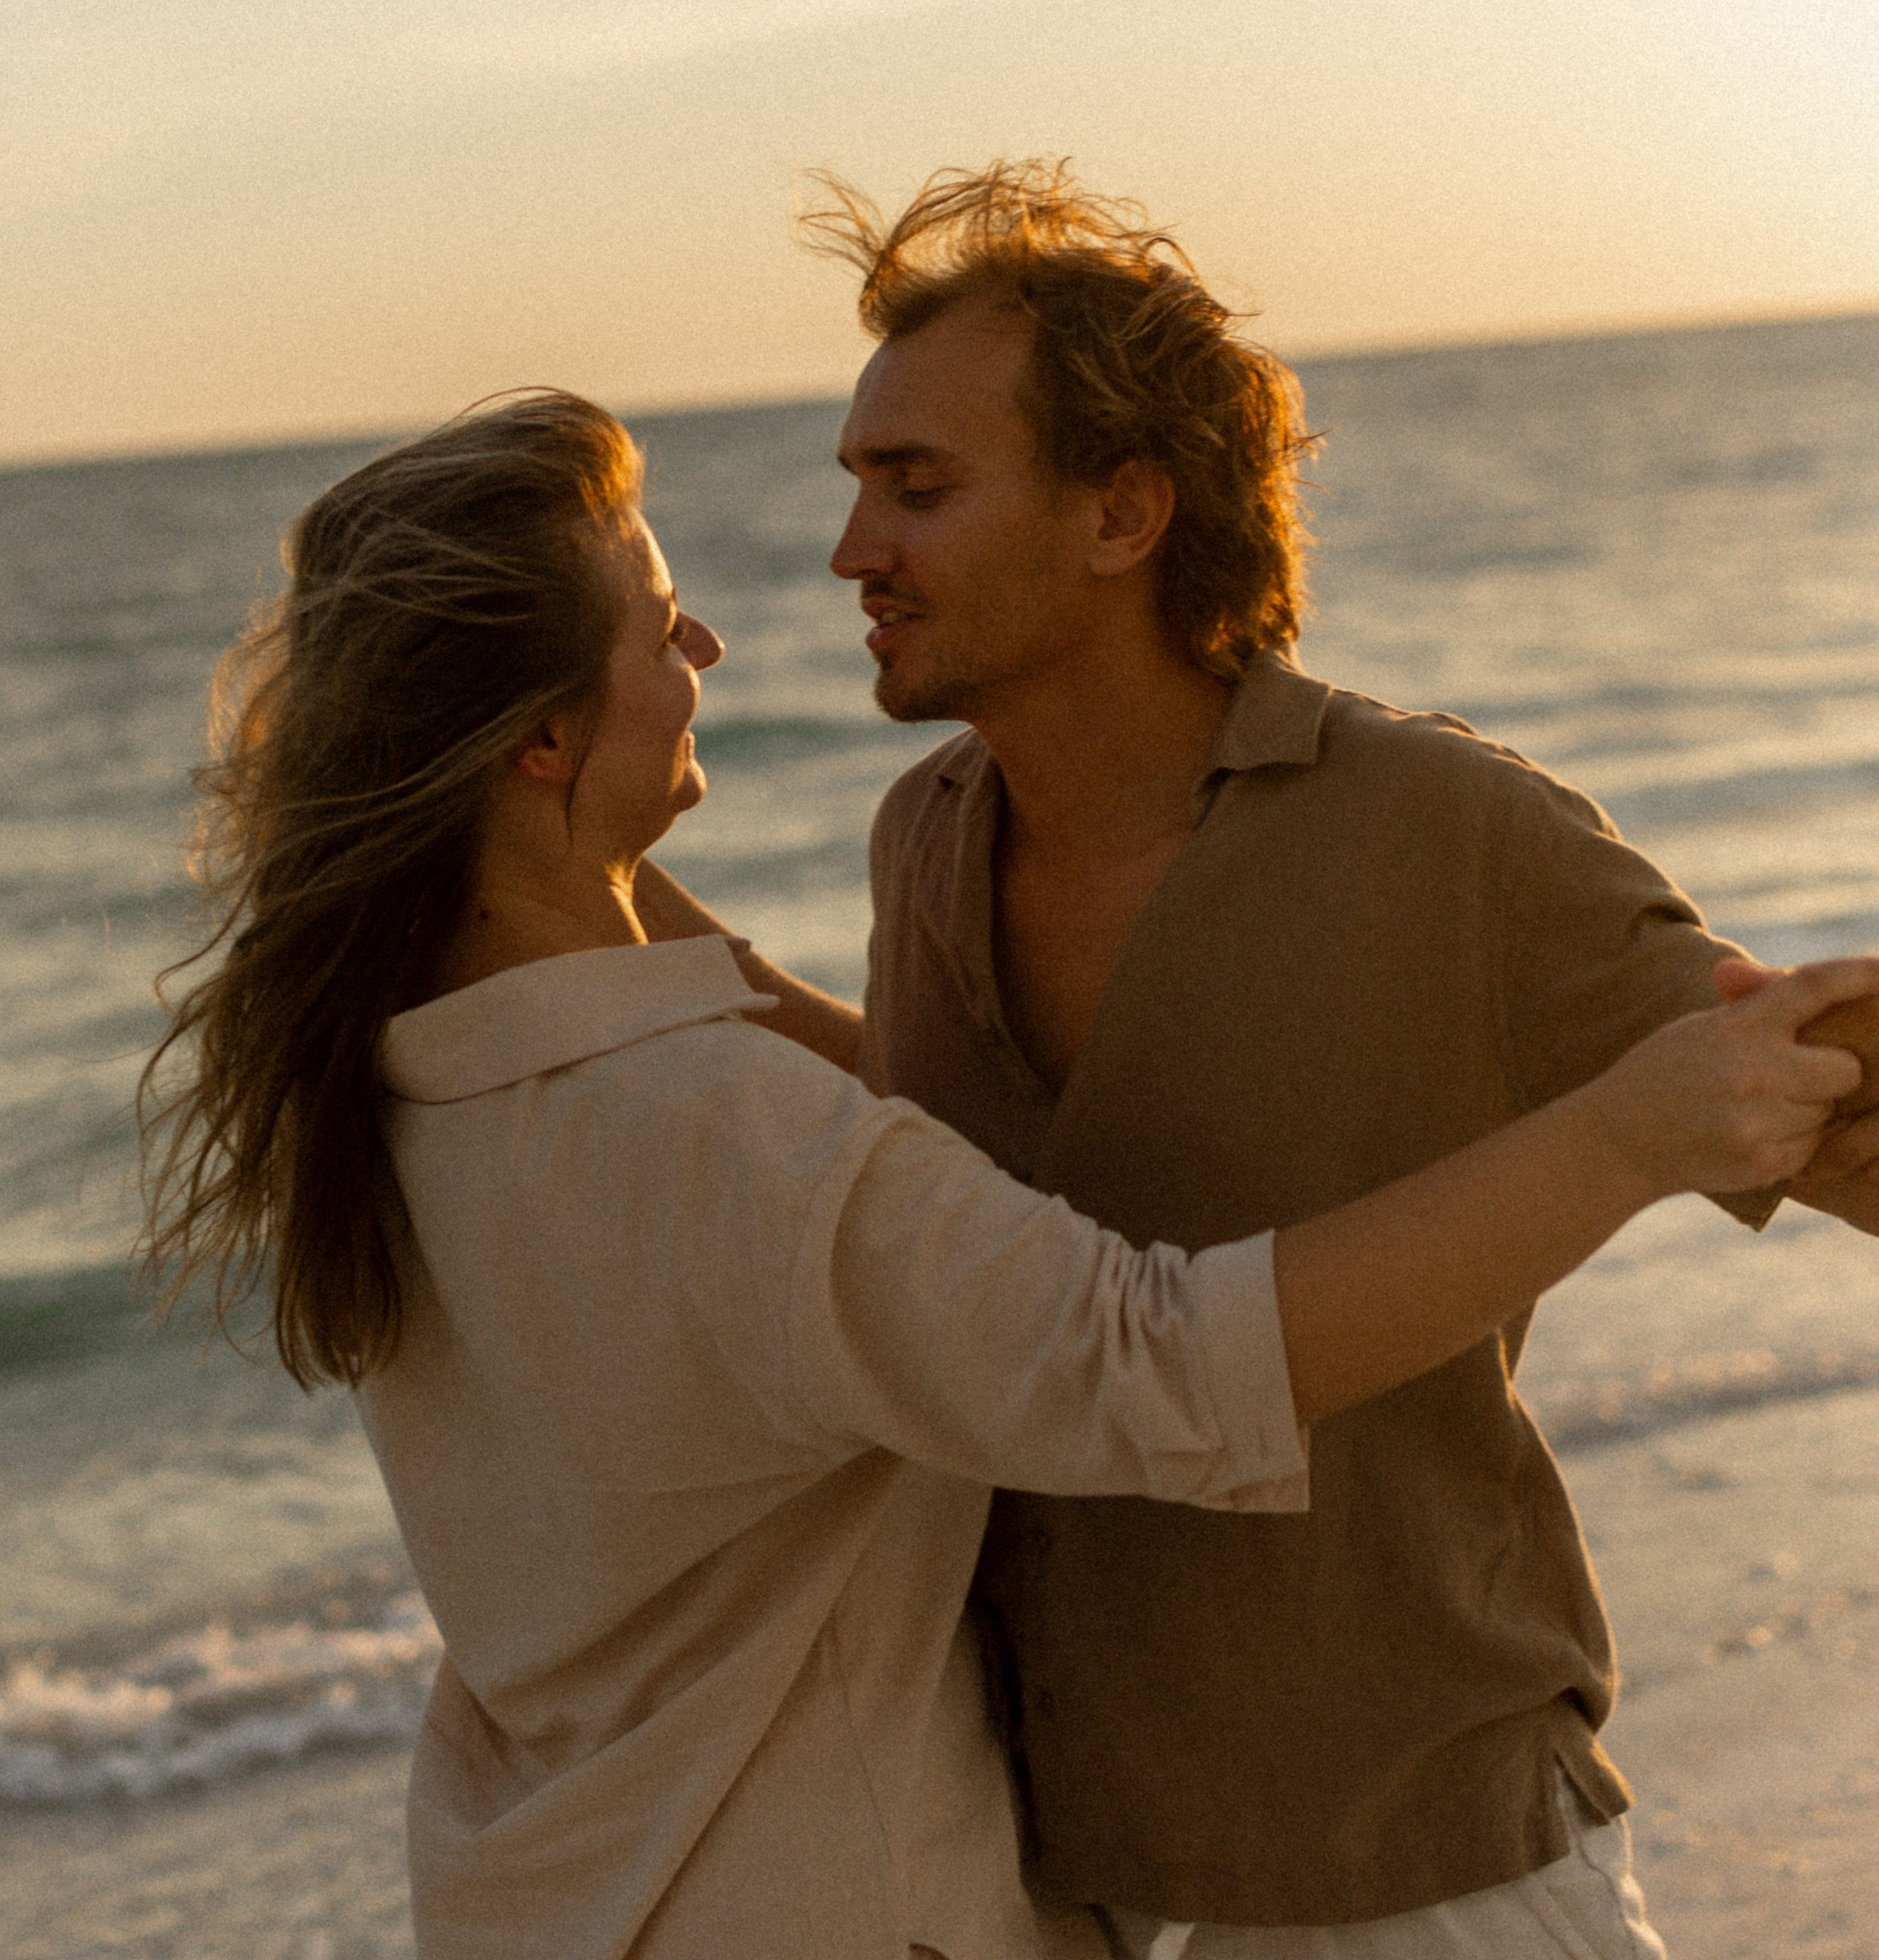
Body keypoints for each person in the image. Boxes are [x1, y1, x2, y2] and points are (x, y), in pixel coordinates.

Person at [137, 392, 1864, 1960]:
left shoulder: (401, 1083)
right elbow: (1157, 1359)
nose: (715, 638)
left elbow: (861, 1156)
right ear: (533, 743)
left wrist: (602, 879)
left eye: (913, 482)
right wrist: (1628, 1134)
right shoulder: (712, 1131)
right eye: (658, 627)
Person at [771, 163, 1878, 1959]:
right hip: (1056, 1887)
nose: (852, 551)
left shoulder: (1447, 830)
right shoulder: (923, 840)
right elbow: (972, 1225)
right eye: (857, 488)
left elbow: (1808, 1108)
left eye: (917, 487)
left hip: (1431, 1879)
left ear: (1122, 511)